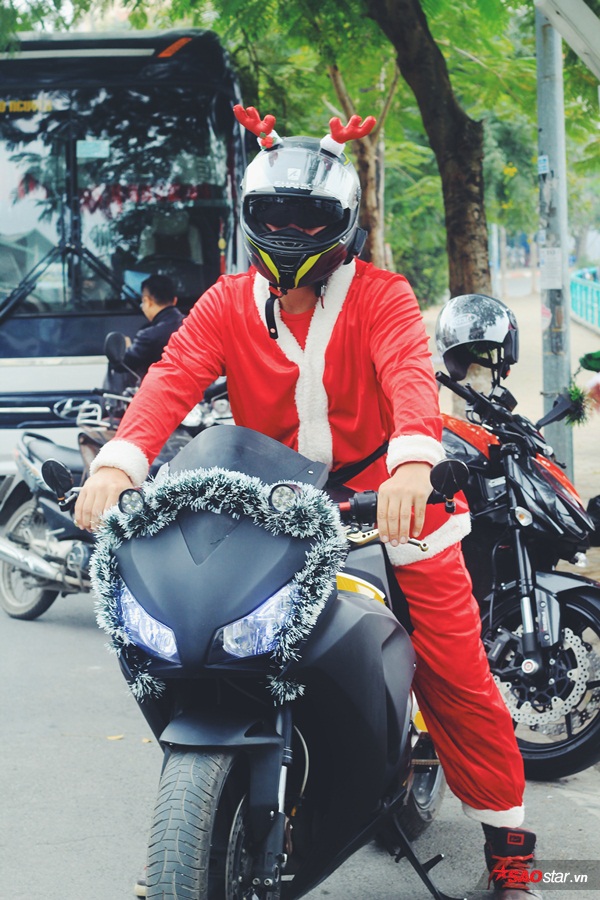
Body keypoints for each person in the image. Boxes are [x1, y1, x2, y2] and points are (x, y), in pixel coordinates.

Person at [75, 106, 541, 899]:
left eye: (309, 218)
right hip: (275, 506)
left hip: (389, 501)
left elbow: (408, 377)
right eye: (274, 215)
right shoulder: (226, 303)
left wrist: (411, 465)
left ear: (345, 223)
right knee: (201, 638)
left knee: (454, 674)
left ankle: (513, 847)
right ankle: (212, 817)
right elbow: (170, 380)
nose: (290, 232)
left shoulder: (384, 297)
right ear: (250, 218)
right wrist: (118, 463)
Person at [120, 273, 184, 380]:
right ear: (174, 300)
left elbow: (123, 365)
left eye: (142, 302)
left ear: (147, 301)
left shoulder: (148, 336)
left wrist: (125, 349)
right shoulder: (192, 325)